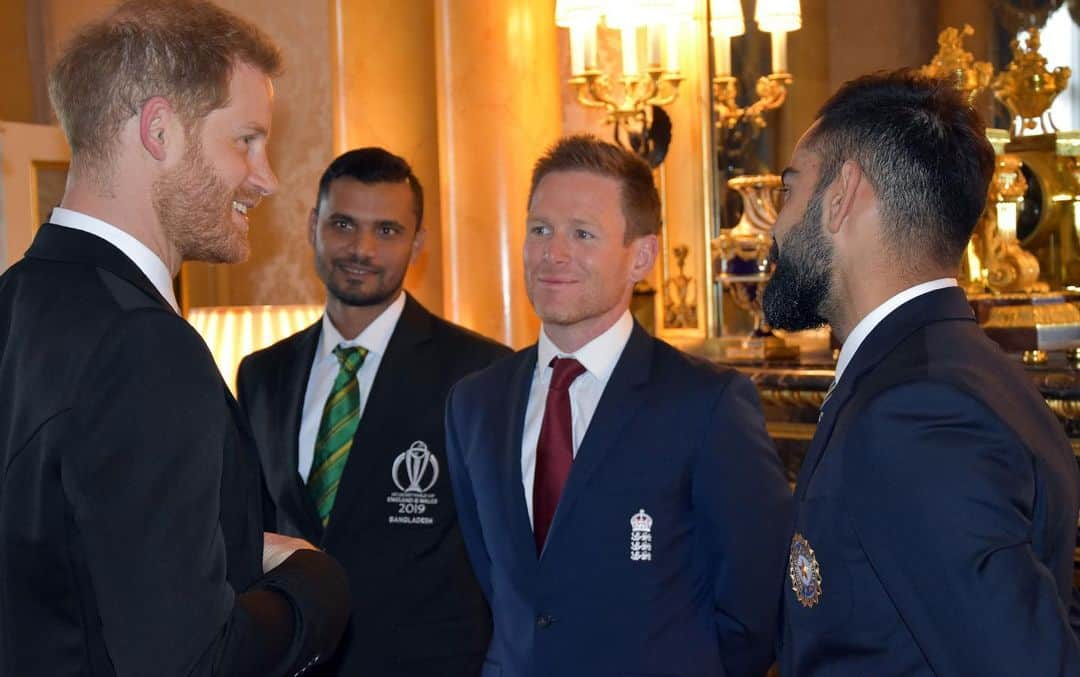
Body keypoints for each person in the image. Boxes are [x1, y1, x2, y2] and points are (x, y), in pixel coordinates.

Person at [0, 2, 350, 675]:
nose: (266, 176)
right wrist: (315, 584)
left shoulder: (19, 298)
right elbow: (194, 661)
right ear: (159, 130)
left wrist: (241, 548)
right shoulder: (144, 347)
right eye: (245, 140)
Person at [763, 70, 1080, 675]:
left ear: (840, 196)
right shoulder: (953, 372)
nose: (775, 229)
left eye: (789, 190)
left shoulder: (917, 413)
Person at [445, 135, 793, 677]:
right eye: (540, 230)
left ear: (643, 256)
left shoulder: (707, 405)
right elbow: (496, 588)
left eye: (582, 234)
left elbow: (756, 603)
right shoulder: (474, 404)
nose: (553, 254)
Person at [237, 147, 510, 676]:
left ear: (418, 243)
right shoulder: (261, 375)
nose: (360, 248)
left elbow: (504, 556)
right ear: (314, 224)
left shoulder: (480, 374)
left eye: (386, 230)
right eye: (343, 224)